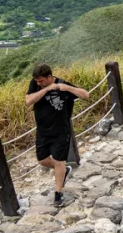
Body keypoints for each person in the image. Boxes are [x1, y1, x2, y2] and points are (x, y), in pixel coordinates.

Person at [25, 63, 91, 208]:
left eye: (41, 81)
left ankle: (58, 193)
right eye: (37, 81)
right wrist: (47, 88)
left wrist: (68, 88)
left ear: (49, 77)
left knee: (58, 161)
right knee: (42, 160)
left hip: (61, 131)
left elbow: (86, 95)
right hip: (43, 131)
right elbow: (29, 101)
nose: (38, 83)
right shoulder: (36, 84)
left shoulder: (62, 84)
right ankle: (64, 170)